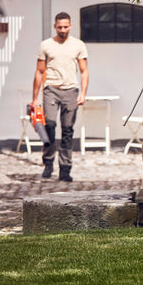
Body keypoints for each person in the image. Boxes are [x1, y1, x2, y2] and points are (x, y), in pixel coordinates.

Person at [31, 12, 89, 182]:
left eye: (65, 27)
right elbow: (40, 71)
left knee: (67, 130)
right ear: (55, 27)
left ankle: (65, 169)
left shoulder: (78, 45)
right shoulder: (46, 45)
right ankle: (48, 162)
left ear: (70, 26)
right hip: (51, 89)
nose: (63, 30)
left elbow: (84, 71)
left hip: (71, 90)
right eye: (60, 27)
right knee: (49, 124)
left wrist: (83, 93)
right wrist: (34, 98)